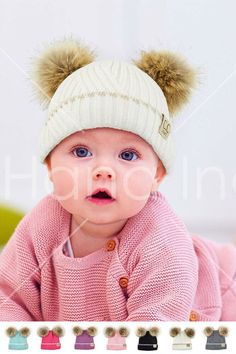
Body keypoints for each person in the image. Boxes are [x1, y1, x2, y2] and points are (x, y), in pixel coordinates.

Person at [0, 38, 235, 321]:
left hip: (220, 303)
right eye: (81, 151)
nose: (104, 170)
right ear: (50, 166)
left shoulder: (160, 238)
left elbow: (153, 335)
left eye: (127, 155)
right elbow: (8, 296)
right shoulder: (42, 226)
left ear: (156, 175)